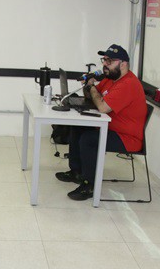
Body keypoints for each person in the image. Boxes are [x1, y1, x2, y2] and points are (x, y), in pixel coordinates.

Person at [58, 43, 148, 201]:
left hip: (126, 138)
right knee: (78, 128)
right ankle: (77, 172)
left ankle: (89, 185)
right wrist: (88, 85)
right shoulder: (111, 78)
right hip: (109, 127)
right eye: (104, 60)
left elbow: (102, 106)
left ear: (123, 64)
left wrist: (92, 87)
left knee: (89, 140)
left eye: (110, 61)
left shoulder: (128, 84)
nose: (105, 65)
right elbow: (94, 96)